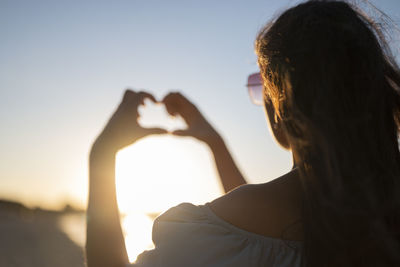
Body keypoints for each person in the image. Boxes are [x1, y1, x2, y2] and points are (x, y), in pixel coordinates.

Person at [86, 1, 400, 266]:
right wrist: (215, 143)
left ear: (280, 107)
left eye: (260, 86)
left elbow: (246, 240)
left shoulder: (204, 240)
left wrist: (101, 154)